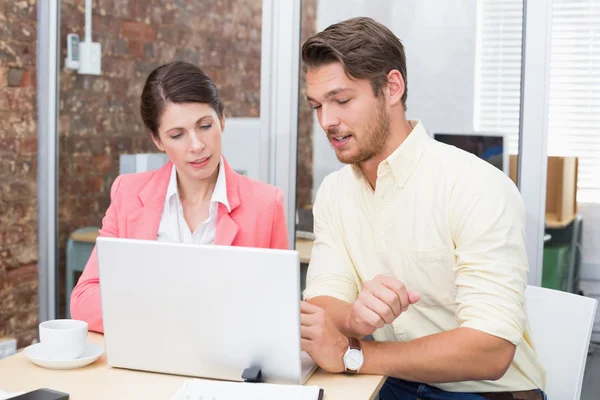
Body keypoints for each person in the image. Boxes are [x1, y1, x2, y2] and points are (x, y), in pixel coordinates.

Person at [298, 17, 546, 400]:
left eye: (342, 100)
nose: (327, 121)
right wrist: (353, 319)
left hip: (482, 394)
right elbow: (322, 307)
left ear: (392, 87)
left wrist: (356, 353)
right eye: (317, 106)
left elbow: (491, 349)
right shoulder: (334, 192)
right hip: (385, 384)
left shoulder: (476, 186)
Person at [71, 61, 289, 332]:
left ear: (222, 119)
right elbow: (84, 299)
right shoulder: (127, 194)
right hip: (147, 359)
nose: (196, 145)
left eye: (205, 126)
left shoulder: (266, 204)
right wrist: (162, 312)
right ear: (158, 140)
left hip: (226, 366)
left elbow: (279, 309)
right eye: (177, 135)